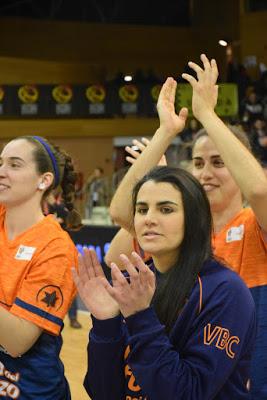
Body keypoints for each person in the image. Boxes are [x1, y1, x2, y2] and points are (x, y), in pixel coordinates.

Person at [107, 54, 267, 399]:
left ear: (241, 164)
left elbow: (259, 190)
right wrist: (164, 136)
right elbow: (121, 219)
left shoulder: (256, 224)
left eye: (219, 162)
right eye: (197, 163)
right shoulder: (178, 230)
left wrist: (207, 115)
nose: (205, 172)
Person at [73, 165, 256, 399]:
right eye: (141, 209)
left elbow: (187, 394)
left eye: (166, 209)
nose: (149, 219)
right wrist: (105, 323)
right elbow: (103, 392)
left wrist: (140, 317)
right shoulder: (133, 284)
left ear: (193, 218)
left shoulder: (226, 291)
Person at [0, 135, 81, 398]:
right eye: (0, 163)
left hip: (26, 390)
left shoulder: (56, 247)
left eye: (14, 165)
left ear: (43, 181)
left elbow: (17, 341)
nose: (2, 172)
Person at [45, 192, 82, 329]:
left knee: (68, 284)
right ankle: (47, 317)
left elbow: (71, 220)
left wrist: (55, 205)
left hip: (63, 253)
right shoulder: (37, 208)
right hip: (45, 253)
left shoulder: (60, 208)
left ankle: (73, 318)